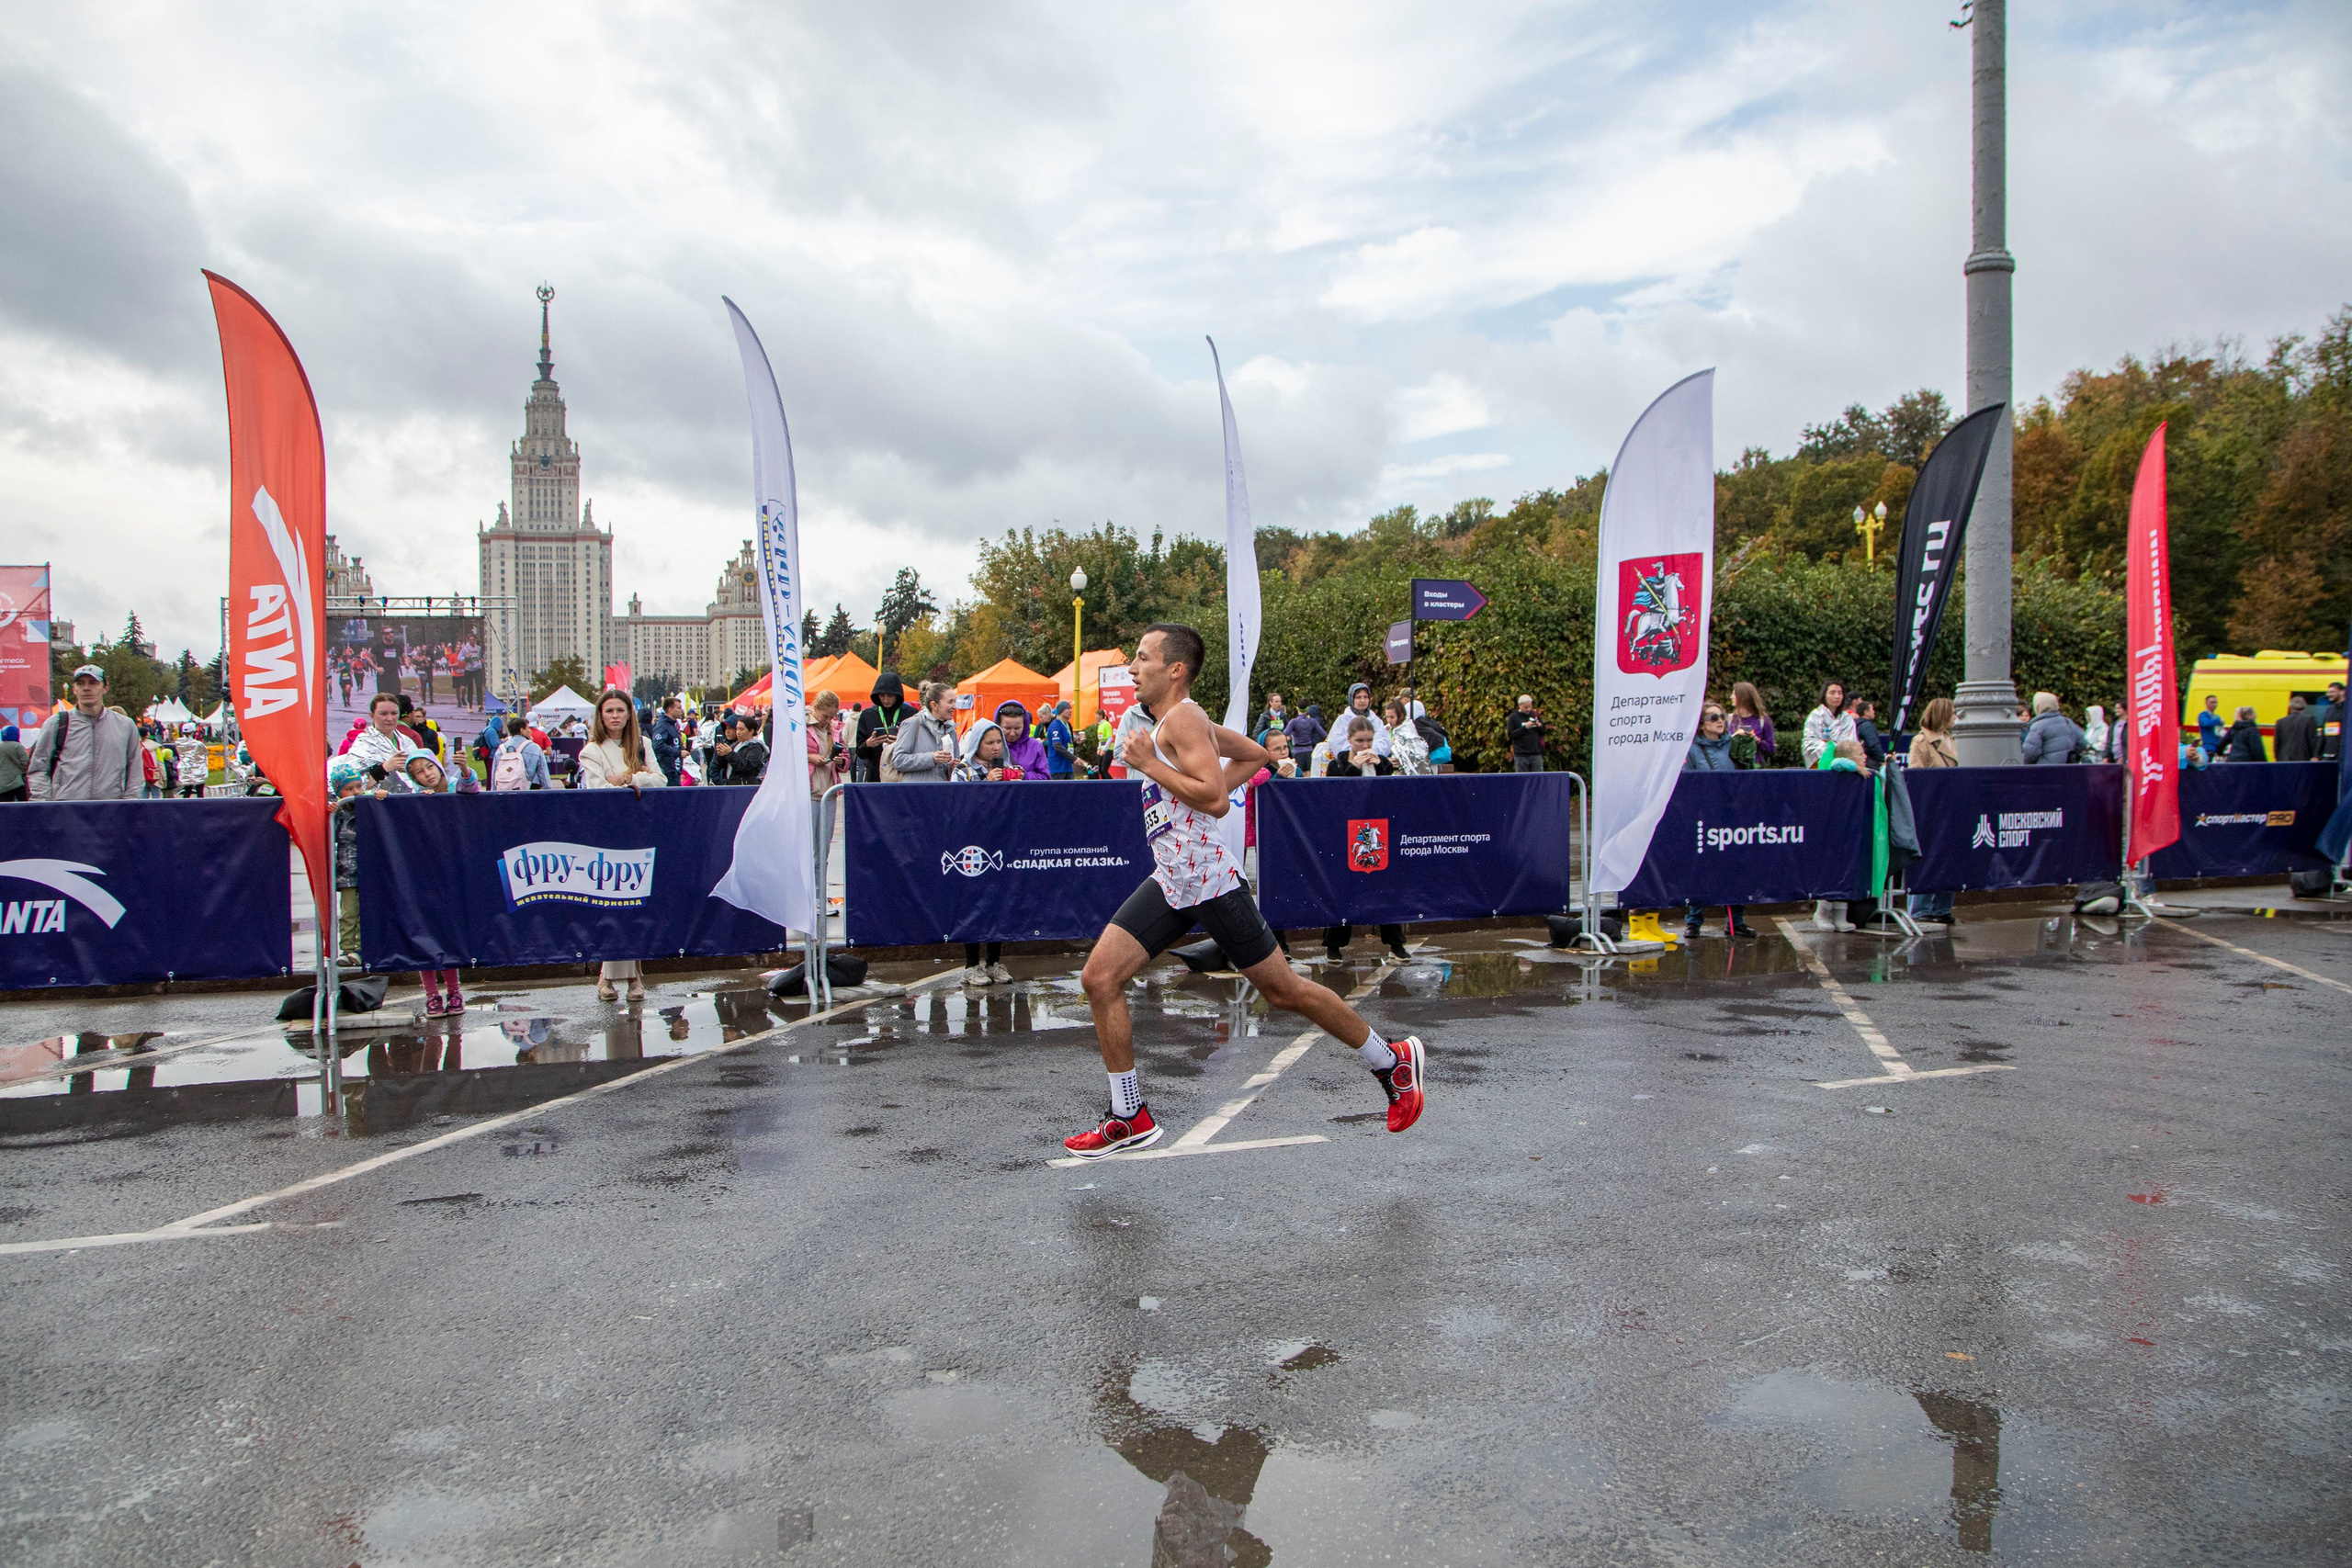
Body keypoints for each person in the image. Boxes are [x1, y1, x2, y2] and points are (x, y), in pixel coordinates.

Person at [1065, 624, 1426, 1156]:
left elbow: (1212, 798)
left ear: (1175, 669)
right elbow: (1257, 754)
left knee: (1284, 991)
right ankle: (1129, 1115)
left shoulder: (1183, 717)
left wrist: (1149, 766)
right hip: (1172, 882)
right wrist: (1170, 771)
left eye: (1142, 658)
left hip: (1208, 880)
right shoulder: (1187, 722)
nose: (1134, 668)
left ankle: (1391, 1061)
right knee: (1099, 978)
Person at [581, 690, 665, 1004]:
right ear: (601, 716)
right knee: (613, 905)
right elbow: (597, 789)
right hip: (608, 833)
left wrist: (630, 779)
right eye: (609, 711)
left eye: (620, 710)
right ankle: (624, 975)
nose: (615, 716)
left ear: (629, 714)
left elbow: (660, 780)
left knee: (636, 904)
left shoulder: (641, 745)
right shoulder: (591, 751)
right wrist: (627, 781)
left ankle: (625, 975)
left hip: (640, 830)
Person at [1323, 717, 1410, 963]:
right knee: (1344, 888)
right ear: (1349, 739)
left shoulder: (1380, 762)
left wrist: (1381, 767)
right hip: (1349, 831)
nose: (1364, 745)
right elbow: (1337, 796)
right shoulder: (1338, 763)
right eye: (1359, 741)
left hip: (1377, 829)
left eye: (1369, 740)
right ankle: (1333, 946)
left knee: (1384, 887)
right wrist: (1354, 768)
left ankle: (1396, 944)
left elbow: (1389, 796)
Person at [953, 716, 1022, 987]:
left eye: (998, 742)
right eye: (989, 742)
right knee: (972, 903)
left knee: (999, 902)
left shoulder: (1007, 767)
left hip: (1001, 842)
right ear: (976, 744)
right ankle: (971, 965)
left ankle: (994, 962)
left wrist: (1015, 780)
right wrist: (984, 783)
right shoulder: (962, 769)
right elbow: (959, 803)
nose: (995, 747)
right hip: (971, 846)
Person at [1682, 704, 1757, 939]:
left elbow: (1747, 773)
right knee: (1700, 869)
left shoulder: (1732, 744)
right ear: (1702, 723)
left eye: (1722, 716)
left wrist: (1748, 748)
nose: (1720, 720)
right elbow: (1688, 783)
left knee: (1736, 868)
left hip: (1733, 815)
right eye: (1714, 717)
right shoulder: (1692, 750)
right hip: (1705, 817)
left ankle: (1736, 921)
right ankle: (1693, 921)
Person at [27, 665, 142, 801]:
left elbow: (135, 772)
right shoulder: (57, 723)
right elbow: (38, 768)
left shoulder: (125, 725)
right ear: (74, 689)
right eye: (80, 683)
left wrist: (129, 806)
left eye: (93, 683)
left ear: (105, 688)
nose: (86, 688)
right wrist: (44, 805)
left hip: (111, 811)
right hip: (67, 810)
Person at [1905, 698, 1959, 925]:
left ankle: (1942, 907)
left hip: (1947, 805)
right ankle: (1921, 908)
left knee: (1949, 855)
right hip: (1930, 807)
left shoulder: (1949, 738)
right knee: (1927, 856)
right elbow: (1916, 776)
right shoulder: (1921, 741)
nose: (1956, 716)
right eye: (1953, 713)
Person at [889, 682, 960, 782]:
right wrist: (931, 758)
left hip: (941, 793)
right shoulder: (913, 724)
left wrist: (954, 767)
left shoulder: (951, 731)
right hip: (916, 793)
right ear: (934, 705)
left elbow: (948, 772)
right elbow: (898, 761)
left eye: (955, 701)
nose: (954, 706)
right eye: (950, 702)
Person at [856, 672, 911, 782]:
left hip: (903, 776)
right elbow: (859, 752)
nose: (886, 700)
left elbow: (918, 748)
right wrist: (867, 744)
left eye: (890, 696)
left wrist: (900, 743)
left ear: (897, 695)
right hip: (875, 776)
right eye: (882, 696)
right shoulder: (867, 715)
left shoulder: (911, 714)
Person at [342, 694, 417, 773]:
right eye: (383, 714)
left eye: (394, 713)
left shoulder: (408, 742)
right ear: (372, 715)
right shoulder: (363, 744)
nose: (390, 718)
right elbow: (355, 780)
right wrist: (385, 768)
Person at [1801, 681, 1857, 766]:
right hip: (1821, 763)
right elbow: (1809, 742)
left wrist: (1835, 747)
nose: (1837, 696)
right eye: (1832, 693)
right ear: (1824, 695)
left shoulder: (1846, 718)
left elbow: (1851, 741)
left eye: (1840, 693)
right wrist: (1830, 748)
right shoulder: (1815, 716)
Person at [992, 700, 1052, 780]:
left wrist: (1025, 776)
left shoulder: (1036, 746)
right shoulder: (990, 746)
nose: (1012, 733)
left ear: (1025, 725)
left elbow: (1046, 778)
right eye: (1007, 728)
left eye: (1017, 728)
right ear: (998, 725)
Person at [2019, 693, 2085, 764]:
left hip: (2045, 771)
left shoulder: (2038, 726)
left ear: (2038, 706)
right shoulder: (2068, 722)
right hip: (2067, 770)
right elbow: (2083, 743)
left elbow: (2029, 754)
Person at [491, 715, 550, 791]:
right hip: (528, 790)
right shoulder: (534, 748)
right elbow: (544, 775)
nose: (530, 731)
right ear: (522, 731)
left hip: (504, 791)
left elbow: (494, 776)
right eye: (528, 728)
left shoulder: (501, 749)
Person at [806, 690, 848, 795]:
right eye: (825, 716)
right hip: (809, 790)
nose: (829, 720)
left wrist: (841, 761)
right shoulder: (802, 726)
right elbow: (788, 754)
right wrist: (809, 758)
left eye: (832, 717)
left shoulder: (835, 729)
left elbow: (846, 757)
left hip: (830, 791)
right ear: (815, 707)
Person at [708, 714, 769, 785]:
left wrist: (729, 753)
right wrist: (721, 756)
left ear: (751, 731)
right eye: (737, 729)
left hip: (745, 787)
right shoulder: (735, 745)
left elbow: (746, 766)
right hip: (731, 784)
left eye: (741, 729)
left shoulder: (755, 747)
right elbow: (721, 765)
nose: (738, 732)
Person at [1382, 698, 1433, 775]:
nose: (1389, 720)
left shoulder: (1408, 732)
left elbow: (1413, 757)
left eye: (1392, 717)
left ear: (1401, 715)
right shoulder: (1386, 729)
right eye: (1387, 717)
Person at [1728, 682, 1776, 764]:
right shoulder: (1729, 719)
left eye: (1734, 694)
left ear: (1743, 697)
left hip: (1754, 767)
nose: (1731, 697)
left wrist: (1757, 740)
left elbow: (1771, 748)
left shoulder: (1763, 720)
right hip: (1732, 767)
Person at [1340, 682, 1391, 757]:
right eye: (1358, 697)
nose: (1362, 700)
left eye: (1365, 697)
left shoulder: (1376, 721)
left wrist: (1371, 753)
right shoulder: (1342, 720)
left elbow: (1385, 742)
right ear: (1352, 699)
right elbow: (1337, 743)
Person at [1506, 694, 1546, 772]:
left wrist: (1539, 725)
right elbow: (1511, 735)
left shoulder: (1535, 714)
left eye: (1530, 707)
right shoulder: (1513, 717)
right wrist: (1524, 728)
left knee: (1538, 779)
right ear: (1519, 706)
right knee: (1523, 780)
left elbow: (1543, 731)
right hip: (1521, 755)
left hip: (1536, 754)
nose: (1528, 709)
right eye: (1526, 707)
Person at [2273, 694, 2320, 762]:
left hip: (2284, 759)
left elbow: (2276, 744)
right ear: (2304, 707)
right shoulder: (2309, 720)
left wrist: (2279, 759)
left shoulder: (2280, 722)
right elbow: (2313, 741)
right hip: (2303, 760)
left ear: (2290, 707)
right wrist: (2315, 756)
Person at [650, 696, 685, 785]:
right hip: (667, 771)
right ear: (670, 710)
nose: (681, 710)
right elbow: (658, 745)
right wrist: (678, 752)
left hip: (675, 770)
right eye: (678, 708)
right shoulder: (662, 725)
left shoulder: (672, 724)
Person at [1043, 700, 1077, 779]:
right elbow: (1057, 745)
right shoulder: (1055, 725)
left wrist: (1076, 743)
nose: (1070, 711)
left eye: (1070, 708)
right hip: (1058, 768)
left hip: (1067, 766)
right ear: (1061, 711)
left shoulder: (1066, 725)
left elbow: (1066, 744)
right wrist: (1074, 758)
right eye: (1067, 708)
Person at [1850, 698, 1887, 771]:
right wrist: (1882, 759)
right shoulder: (1867, 726)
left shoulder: (1855, 724)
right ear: (1866, 712)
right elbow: (1873, 745)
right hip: (1870, 762)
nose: (1874, 712)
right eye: (1872, 709)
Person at [174, 727, 209, 798]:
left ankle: (185, 807)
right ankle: (200, 808)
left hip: (185, 768)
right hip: (198, 769)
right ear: (192, 732)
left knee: (187, 791)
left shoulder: (179, 744)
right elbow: (205, 753)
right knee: (200, 792)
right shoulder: (198, 744)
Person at [2319, 681, 2346, 761]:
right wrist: (2317, 754)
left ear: (2342, 692)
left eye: (2332, 692)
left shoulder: (2348, 709)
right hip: (2329, 753)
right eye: (2328, 692)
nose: (2329, 695)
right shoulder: (2329, 710)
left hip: (2342, 753)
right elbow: (2323, 733)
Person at [0, 725, 27, 802]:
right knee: (23, 807)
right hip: (17, 783)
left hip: (2, 785)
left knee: (5, 809)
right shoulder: (17, 746)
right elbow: (25, 763)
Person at [2196, 694, 2224, 758]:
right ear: (2206, 703)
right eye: (2212, 702)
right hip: (2208, 747)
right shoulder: (2203, 715)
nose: (2214, 705)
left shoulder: (2217, 716)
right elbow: (2206, 723)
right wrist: (2218, 721)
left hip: (2218, 746)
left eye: (2216, 702)